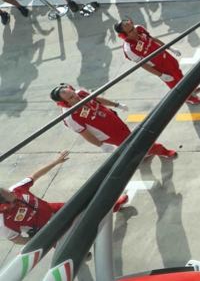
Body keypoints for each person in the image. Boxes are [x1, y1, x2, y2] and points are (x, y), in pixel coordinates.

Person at [1, 151, 130, 245]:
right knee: (73, 244)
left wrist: (56, 162)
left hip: (53, 209)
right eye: (6, 193)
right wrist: (40, 242)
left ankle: (114, 205)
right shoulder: (3, 223)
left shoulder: (17, 189)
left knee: (87, 205)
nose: (9, 190)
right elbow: (16, 239)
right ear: (5, 204)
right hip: (49, 231)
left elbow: (35, 175)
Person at [51, 84, 177, 158]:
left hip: (114, 120)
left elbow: (97, 99)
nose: (76, 97)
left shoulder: (81, 93)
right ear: (64, 102)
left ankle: (140, 155)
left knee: (131, 143)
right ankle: (162, 151)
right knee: (139, 142)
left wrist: (116, 105)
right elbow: (85, 134)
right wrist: (101, 145)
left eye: (74, 93)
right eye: (71, 98)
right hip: (109, 134)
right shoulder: (69, 117)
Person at [114, 19, 200, 105]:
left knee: (178, 72)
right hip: (159, 66)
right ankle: (187, 98)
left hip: (165, 56)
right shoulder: (129, 49)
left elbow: (152, 39)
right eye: (131, 31)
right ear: (124, 35)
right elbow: (143, 65)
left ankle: (188, 87)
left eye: (132, 27)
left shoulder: (139, 28)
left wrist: (170, 48)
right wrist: (160, 75)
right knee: (173, 82)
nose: (134, 31)